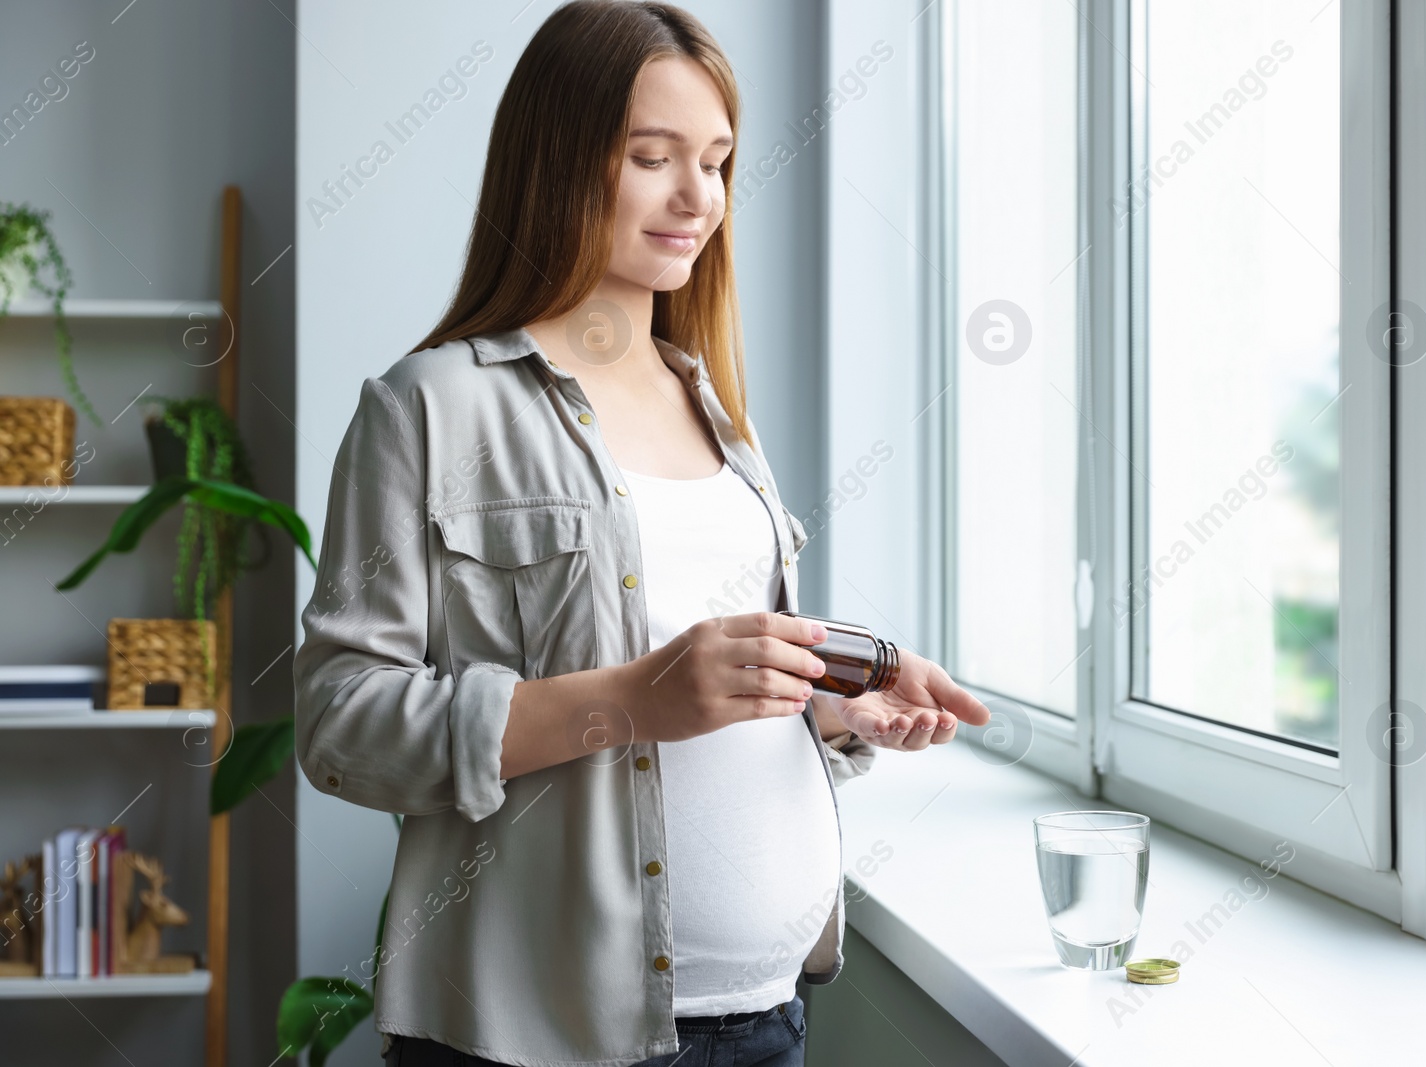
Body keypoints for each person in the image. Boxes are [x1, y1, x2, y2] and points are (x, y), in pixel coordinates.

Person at [291, 2, 991, 1065]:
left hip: (766, 1017)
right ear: (557, 163)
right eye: (653, 157)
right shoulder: (429, 408)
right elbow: (341, 726)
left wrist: (837, 706)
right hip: (541, 1036)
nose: (697, 196)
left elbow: (714, 693)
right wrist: (627, 702)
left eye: (715, 161)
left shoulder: (712, 404)